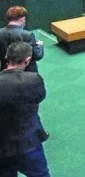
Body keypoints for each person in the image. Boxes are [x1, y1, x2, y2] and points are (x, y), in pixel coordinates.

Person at [0, 42, 50, 177]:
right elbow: (40, 97)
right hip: (28, 143)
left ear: (6, 57)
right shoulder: (33, 79)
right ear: (27, 60)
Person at [0, 7, 44, 73]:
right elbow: (37, 55)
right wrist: (40, 46)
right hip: (26, 73)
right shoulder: (27, 35)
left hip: (5, 71)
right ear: (23, 19)